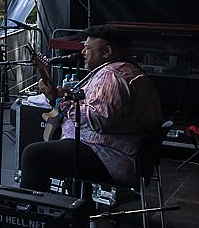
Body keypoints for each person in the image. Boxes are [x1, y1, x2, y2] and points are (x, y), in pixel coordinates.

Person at [20, 25, 162, 192]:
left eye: (87, 48)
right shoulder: (126, 70)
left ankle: (33, 207)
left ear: (107, 51)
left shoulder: (111, 75)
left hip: (111, 157)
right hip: (120, 153)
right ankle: (77, 202)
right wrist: (69, 97)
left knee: (33, 155)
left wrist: (59, 101)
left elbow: (100, 120)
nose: (82, 52)